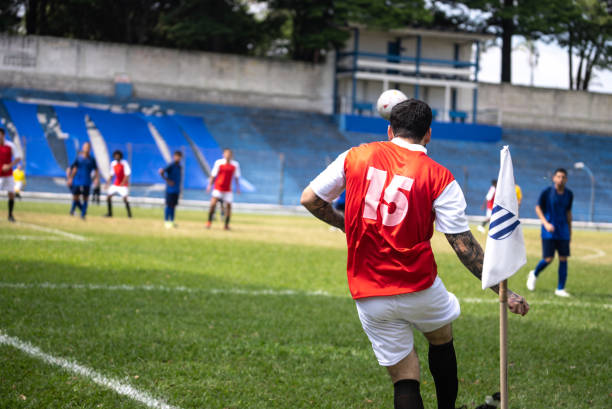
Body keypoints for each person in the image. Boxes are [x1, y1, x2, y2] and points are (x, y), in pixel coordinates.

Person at [301, 99, 529, 409]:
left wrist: (346, 226)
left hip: (368, 290)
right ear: (429, 134)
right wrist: (503, 290)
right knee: (441, 340)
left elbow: (310, 199)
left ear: (389, 129)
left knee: (405, 376)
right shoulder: (440, 176)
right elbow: (463, 246)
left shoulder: (355, 156)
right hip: (419, 286)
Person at [526, 168, 573, 297]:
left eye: (563, 177)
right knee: (548, 258)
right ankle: (534, 273)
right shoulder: (546, 192)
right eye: (558, 176)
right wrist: (545, 223)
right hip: (549, 232)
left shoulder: (569, 194)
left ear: (566, 179)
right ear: (554, 178)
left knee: (563, 259)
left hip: (563, 231)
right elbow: (537, 208)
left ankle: (560, 288)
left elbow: (568, 213)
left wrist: (570, 231)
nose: (561, 179)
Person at [206, 149, 240, 230]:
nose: (227, 155)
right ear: (223, 154)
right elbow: (213, 175)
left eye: (229, 154)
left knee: (229, 206)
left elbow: (236, 177)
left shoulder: (235, 165)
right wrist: (209, 185)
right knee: (213, 204)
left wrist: (238, 188)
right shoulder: (219, 163)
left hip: (228, 189)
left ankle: (226, 225)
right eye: (226, 153)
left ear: (231, 155)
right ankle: (209, 222)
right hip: (218, 187)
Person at [67, 142, 99, 219]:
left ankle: (83, 214)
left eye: (88, 147)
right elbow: (73, 168)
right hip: (77, 180)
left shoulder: (92, 159)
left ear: (90, 149)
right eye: (85, 147)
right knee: (75, 197)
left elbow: (96, 169)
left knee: (85, 198)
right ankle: (74, 210)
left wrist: (96, 179)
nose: (86, 148)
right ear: (83, 148)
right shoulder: (78, 158)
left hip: (87, 181)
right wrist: (70, 178)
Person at [0, 128, 22, 222]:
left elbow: (18, 158)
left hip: (8, 174)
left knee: (11, 194)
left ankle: (10, 215)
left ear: (3, 135)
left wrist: (9, 166)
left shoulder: (10, 145)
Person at [105, 150, 132, 218]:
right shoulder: (113, 163)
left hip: (122, 185)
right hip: (116, 184)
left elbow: (127, 174)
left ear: (120, 156)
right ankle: (110, 213)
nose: (117, 157)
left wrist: (123, 182)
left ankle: (129, 215)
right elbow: (111, 174)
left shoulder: (124, 163)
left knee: (125, 199)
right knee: (108, 197)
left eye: (118, 155)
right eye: (115, 156)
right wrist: (107, 183)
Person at [159, 150, 182, 228]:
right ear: (174, 157)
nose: (177, 158)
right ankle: (166, 221)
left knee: (173, 206)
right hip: (170, 190)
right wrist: (167, 180)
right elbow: (161, 171)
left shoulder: (179, 167)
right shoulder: (171, 165)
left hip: (176, 190)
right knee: (168, 205)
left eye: (179, 157)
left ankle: (172, 221)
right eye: (176, 156)